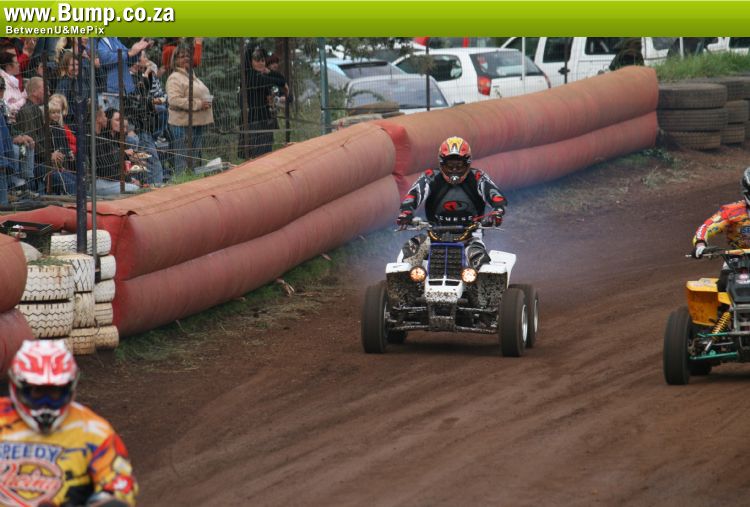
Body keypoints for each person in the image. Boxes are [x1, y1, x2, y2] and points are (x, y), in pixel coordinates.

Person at [1, 339, 138, 506]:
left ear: (70, 388)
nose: (46, 403)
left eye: (55, 392)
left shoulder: (93, 431)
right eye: (37, 392)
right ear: (17, 386)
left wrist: (100, 501)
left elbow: (121, 485)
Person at [396, 136, 507, 269]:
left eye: (459, 165)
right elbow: (414, 194)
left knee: (478, 259)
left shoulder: (478, 177)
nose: (454, 170)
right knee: (410, 251)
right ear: (442, 164)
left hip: (470, 236)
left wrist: (498, 211)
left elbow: (495, 196)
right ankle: (403, 282)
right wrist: (406, 212)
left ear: (467, 163)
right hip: (433, 235)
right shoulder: (430, 176)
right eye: (450, 165)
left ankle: (480, 280)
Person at [692, 167, 750, 291]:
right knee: (722, 285)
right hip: (737, 258)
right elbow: (707, 226)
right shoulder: (732, 211)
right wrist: (700, 245)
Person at [166, 45, 213, 174]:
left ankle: (191, 180)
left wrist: (206, 102)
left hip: (196, 123)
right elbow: (174, 100)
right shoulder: (175, 77)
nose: (186, 58)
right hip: (182, 124)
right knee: (182, 160)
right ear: (175, 60)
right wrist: (199, 104)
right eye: (182, 56)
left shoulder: (191, 75)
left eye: (188, 56)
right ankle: (182, 181)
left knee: (193, 159)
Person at [243, 47, 287, 158]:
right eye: (257, 60)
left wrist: (269, 72)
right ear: (250, 62)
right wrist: (270, 75)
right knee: (258, 155)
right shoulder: (251, 76)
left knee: (267, 153)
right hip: (254, 121)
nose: (261, 63)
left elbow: (282, 81)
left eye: (263, 60)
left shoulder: (262, 75)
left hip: (266, 119)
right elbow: (279, 82)